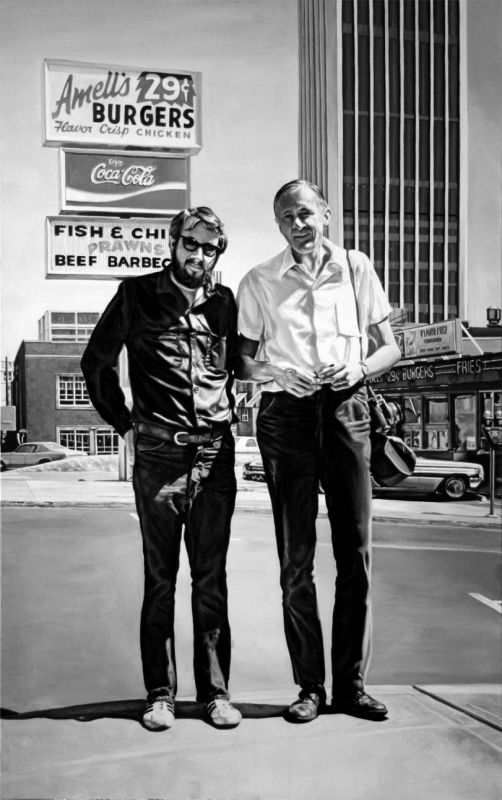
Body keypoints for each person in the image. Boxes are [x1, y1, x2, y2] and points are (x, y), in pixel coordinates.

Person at [236, 180, 401, 723]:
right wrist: (277, 371)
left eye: (305, 213)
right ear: (278, 224)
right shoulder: (259, 280)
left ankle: (351, 687)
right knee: (296, 559)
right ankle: (310, 687)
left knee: (356, 552)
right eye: (286, 217)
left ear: (325, 213)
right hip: (285, 416)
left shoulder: (356, 267)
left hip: (346, 408)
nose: (297, 224)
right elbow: (242, 362)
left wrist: (359, 368)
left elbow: (390, 348)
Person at [81, 206, 242, 731]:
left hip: (215, 456)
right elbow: (96, 362)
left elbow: (235, 367)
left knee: (211, 578)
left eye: (210, 248)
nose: (199, 255)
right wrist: (123, 424)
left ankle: (215, 693)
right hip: (159, 457)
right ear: (173, 243)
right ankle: (160, 695)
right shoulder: (136, 294)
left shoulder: (225, 303)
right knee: (161, 579)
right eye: (191, 244)